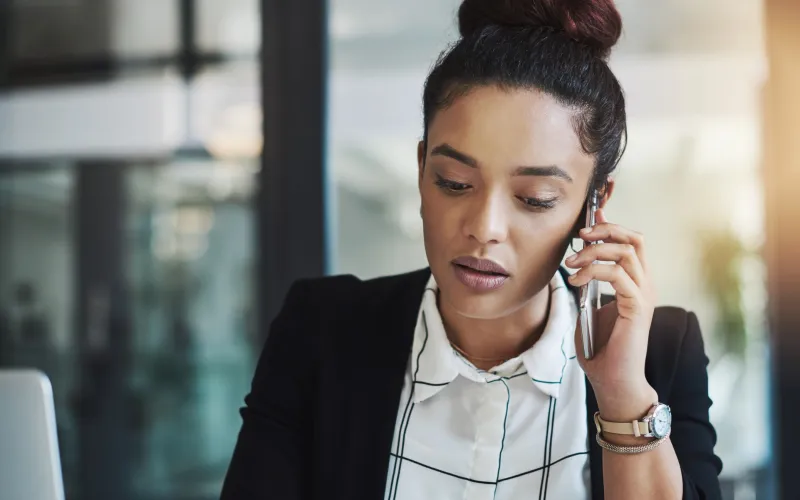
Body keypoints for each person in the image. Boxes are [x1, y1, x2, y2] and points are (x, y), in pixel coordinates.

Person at [220, 0, 722, 498]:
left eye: (535, 199)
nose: (485, 229)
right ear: (421, 171)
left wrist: (620, 398)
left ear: (593, 205)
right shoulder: (321, 332)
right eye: (455, 183)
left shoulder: (659, 353)